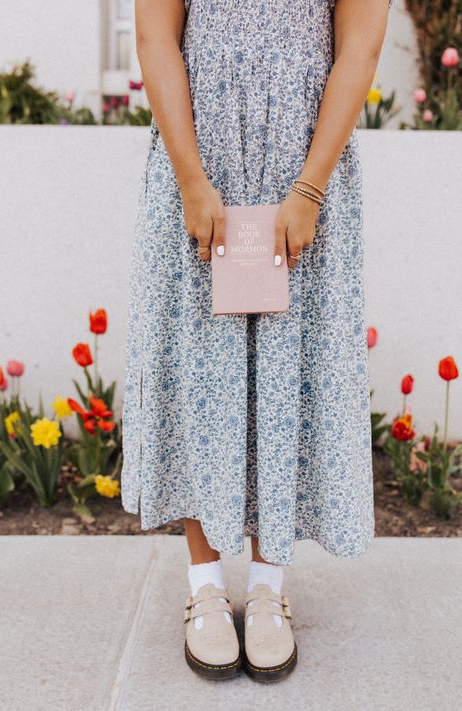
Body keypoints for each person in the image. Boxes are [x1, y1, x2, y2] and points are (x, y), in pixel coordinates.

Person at [121, 0, 390, 683]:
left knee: (289, 365)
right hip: (199, 156)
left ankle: (269, 586)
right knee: (198, 364)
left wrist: (310, 187)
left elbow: (358, 47)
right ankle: (206, 583)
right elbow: (157, 35)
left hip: (303, 164)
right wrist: (189, 177)